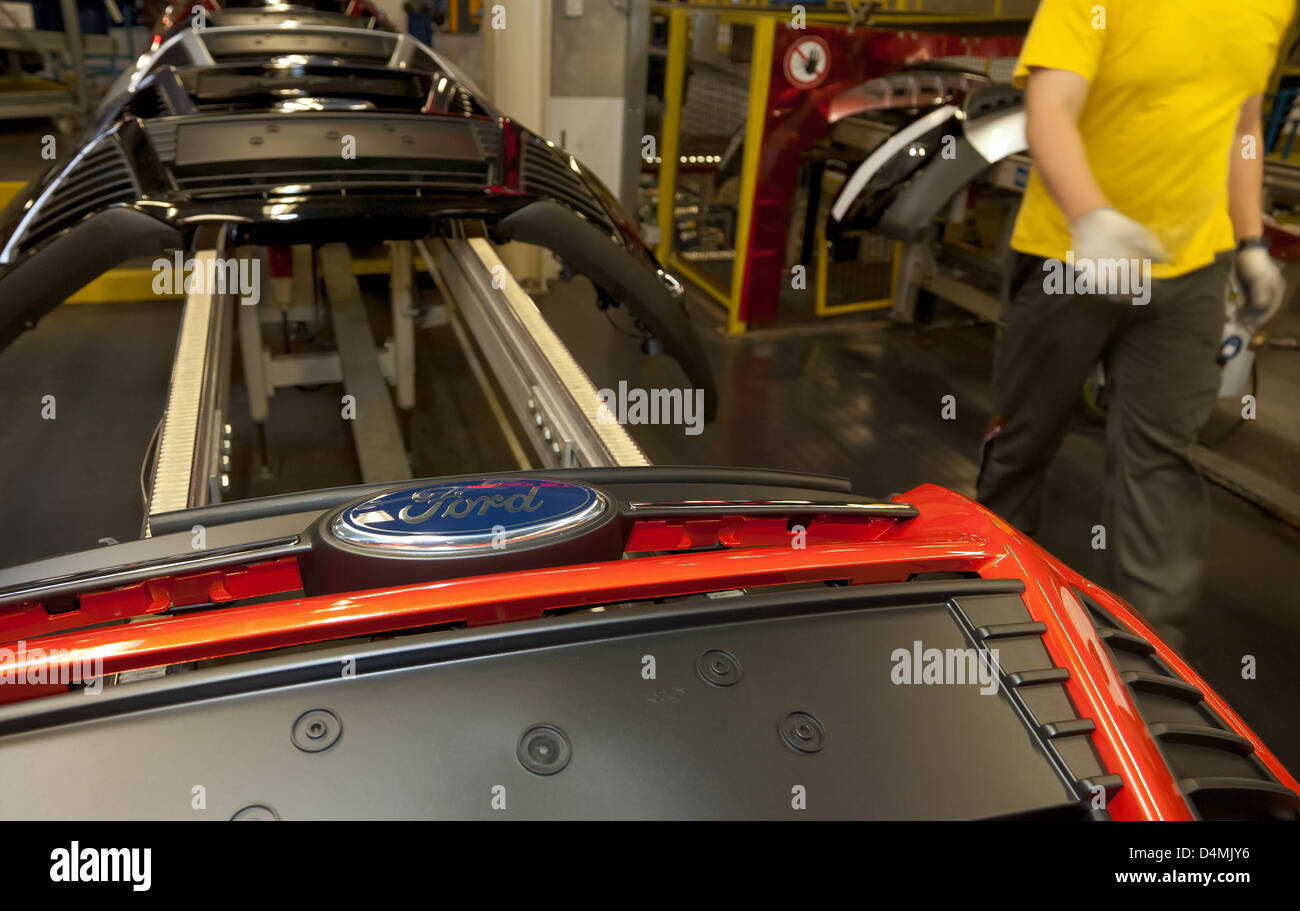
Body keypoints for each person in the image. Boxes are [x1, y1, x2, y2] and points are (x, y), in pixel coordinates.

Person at [976, 0, 1294, 649]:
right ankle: (985, 601)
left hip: (1190, 267)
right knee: (1024, 439)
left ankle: (1148, 650)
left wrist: (1250, 242)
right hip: (1072, 255)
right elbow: (1050, 109)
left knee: (1162, 457)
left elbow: (1243, 120)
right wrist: (1091, 216)